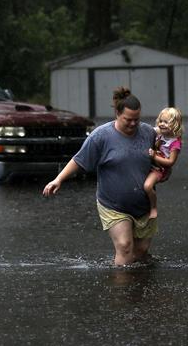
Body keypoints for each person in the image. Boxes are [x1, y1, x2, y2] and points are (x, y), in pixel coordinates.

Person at [42, 87, 157, 266]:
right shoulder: (101, 136)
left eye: (137, 119)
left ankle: (139, 290)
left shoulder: (149, 132)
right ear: (117, 114)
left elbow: (163, 157)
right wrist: (59, 179)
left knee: (140, 252)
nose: (134, 124)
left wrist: (165, 171)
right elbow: (79, 160)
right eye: (128, 119)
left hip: (144, 205)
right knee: (125, 247)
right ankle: (121, 291)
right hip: (113, 205)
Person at [144, 107, 184, 219]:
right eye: (161, 121)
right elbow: (146, 130)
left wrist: (154, 156)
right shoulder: (161, 132)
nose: (162, 124)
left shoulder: (175, 143)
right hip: (151, 163)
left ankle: (153, 207)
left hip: (159, 169)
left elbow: (170, 162)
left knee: (147, 186)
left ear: (175, 125)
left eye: (166, 122)